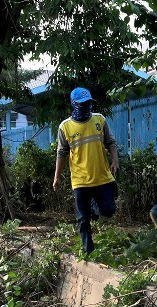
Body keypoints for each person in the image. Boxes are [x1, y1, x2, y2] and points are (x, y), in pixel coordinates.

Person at [53, 87, 119, 253]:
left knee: (109, 210)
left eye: (88, 103)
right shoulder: (65, 127)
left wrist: (115, 160)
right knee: (83, 219)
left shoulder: (99, 120)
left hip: (102, 177)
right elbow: (61, 152)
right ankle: (88, 251)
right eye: (82, 104)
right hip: (80, 180)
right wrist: (57, 177)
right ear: (74, 104)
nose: (85, 106)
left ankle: (93, 205)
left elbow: (110, 141)